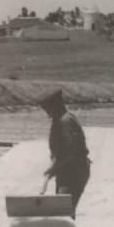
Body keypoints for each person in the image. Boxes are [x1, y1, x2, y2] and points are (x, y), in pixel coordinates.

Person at [37, 89, 90, 219]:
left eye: (47, 108)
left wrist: (53, 168)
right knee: (63, 209)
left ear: (56, 106)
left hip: (74, 171)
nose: (46, 112)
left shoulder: (65, 121)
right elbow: (60, 151)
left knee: (63, 210)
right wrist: (54, 166)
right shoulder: (59, 120)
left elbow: (70, 152)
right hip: (66, 170)